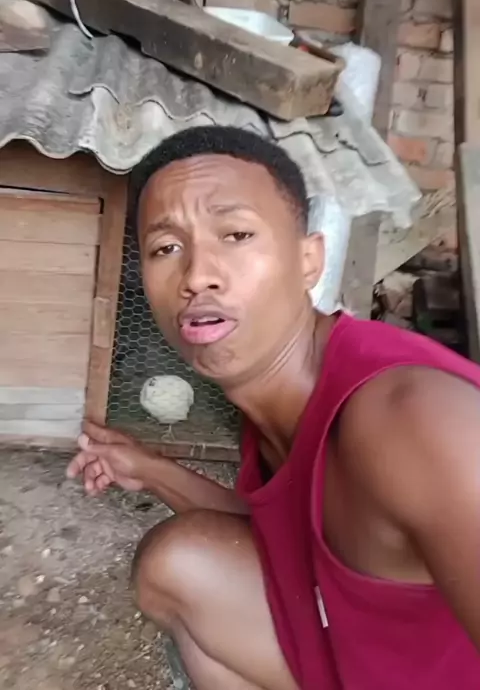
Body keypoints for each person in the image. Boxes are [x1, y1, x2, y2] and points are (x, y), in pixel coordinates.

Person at [68, 125, 480, 690]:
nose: (197, 276)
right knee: (177, 564)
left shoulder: (414, 421)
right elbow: (292, 532)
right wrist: (150, 470)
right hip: (370, 660)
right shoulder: (271, 396)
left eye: (236, 234)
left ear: (310, 260)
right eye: (166, 248)